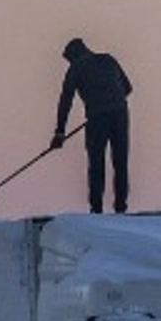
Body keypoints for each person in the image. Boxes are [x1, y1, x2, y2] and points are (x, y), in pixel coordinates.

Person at [54, 38, 134, 214]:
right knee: (120, 162)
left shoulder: (76, 67)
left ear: (73, 55)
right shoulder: (108, 59)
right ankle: (121, 207)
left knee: (96, 163)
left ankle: (96, 209)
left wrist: (60, 132)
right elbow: (128, 88)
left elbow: (65, 100)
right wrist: (110, 98)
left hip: (98, 117)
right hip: (120, 113)